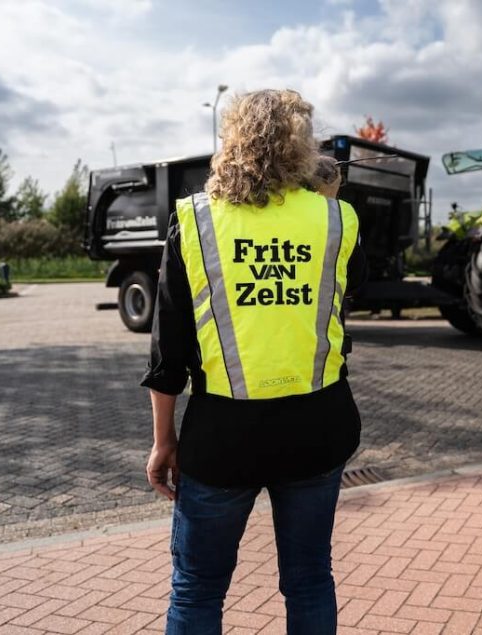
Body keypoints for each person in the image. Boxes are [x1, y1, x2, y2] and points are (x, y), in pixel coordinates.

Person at [142, 88, 366, 635]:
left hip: (222, 438)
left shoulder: (195, 221)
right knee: (310, 578)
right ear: (302, 146)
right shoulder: (338, 221)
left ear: (231, 142)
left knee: (198, 589)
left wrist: (163, 440)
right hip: (318, 428)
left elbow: (168, 348)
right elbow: (335, 317)